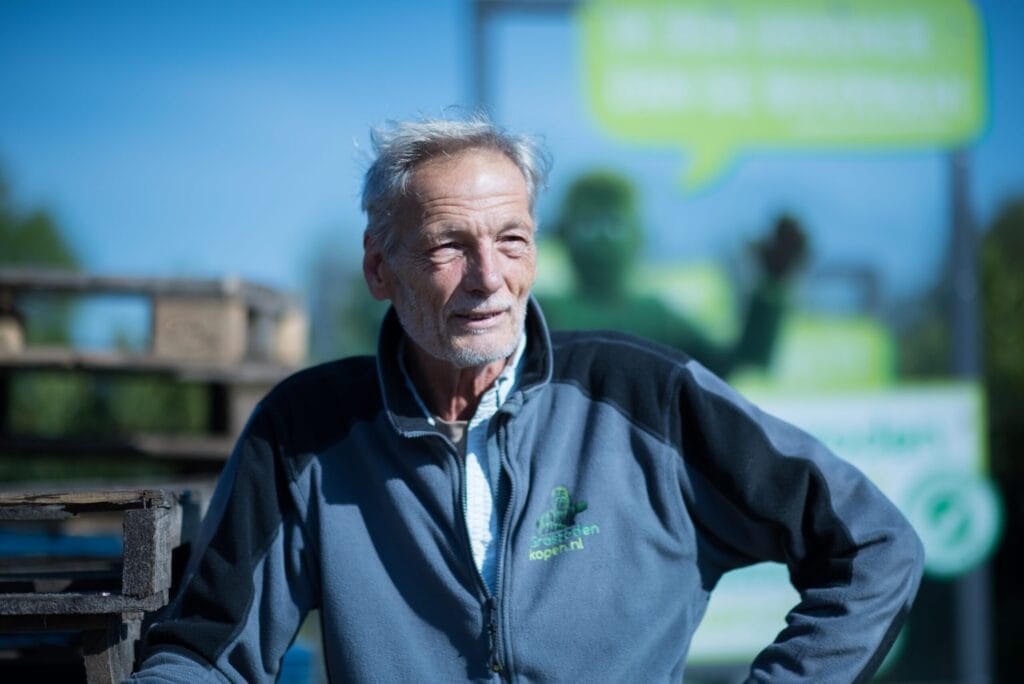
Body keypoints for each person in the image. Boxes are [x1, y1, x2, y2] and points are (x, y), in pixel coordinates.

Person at [130, 115, 923, 682]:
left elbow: (874, 548)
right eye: (449, 245)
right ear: (380, 269)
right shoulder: (305, 430)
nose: (488, 276)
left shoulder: (643, 396)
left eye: (511, 240)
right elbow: (203, 654)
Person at [540, 170, 808, 377]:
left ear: (639, 236)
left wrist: (772, 288)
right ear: (563, 232)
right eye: (588, 225)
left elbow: (737, 362)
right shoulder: (544, 313)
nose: (602, 241)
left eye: (615, 226)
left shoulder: (657, 317)